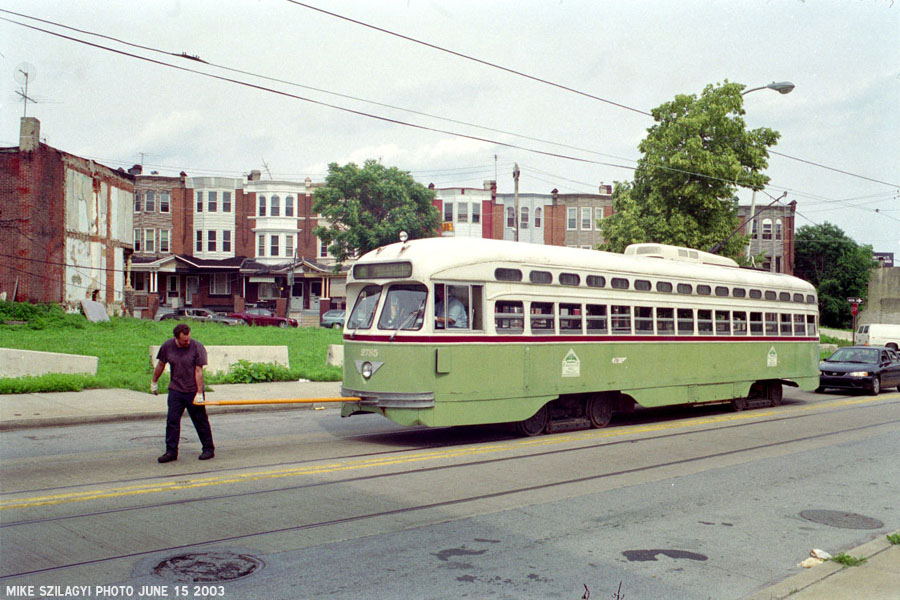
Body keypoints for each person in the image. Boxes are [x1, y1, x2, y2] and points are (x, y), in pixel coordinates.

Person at [151, 323, 215, 463]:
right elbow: (161, 365)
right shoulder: (167, 346)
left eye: (188, 339)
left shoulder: (197, 347)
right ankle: (171, 452)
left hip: (193, 391)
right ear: (176, 338)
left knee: (200, 421)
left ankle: (208, 449)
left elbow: (199, 371)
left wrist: (199, 393)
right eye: (184, 340)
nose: (187, 342)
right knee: (172, 421)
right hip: (175, 390)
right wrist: (154, 382)